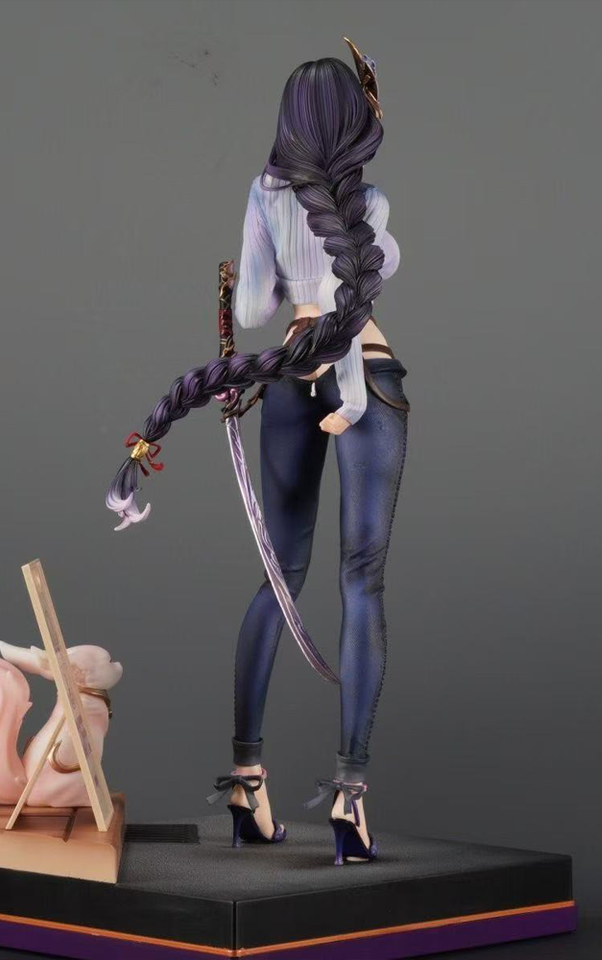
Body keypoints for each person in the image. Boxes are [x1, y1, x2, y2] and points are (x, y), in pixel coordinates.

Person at [108, 43, 408, 864]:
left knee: (280, 577)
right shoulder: (369, 202)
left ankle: (246, 781)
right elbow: (363, 288)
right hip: (368, 378)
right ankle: (349, 796)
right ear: (352, 120)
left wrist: (274, 277)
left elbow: (250, 309)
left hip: (288, 380)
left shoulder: (264, 197)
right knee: (362, 581)